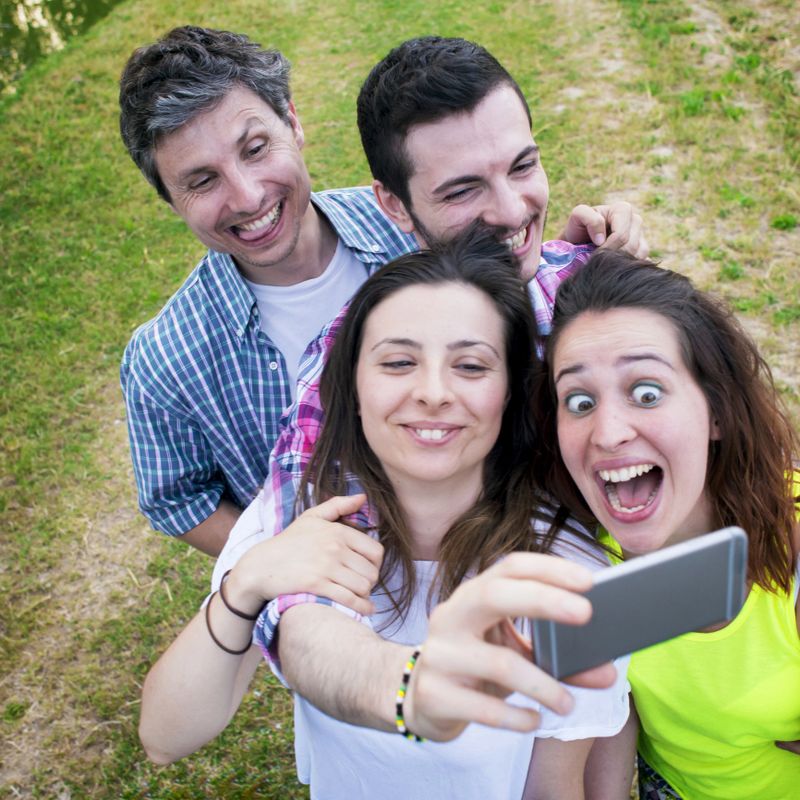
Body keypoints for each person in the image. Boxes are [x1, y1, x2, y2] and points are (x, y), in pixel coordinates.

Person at [118, 27, 647, 557]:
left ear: (293, 121)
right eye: (202, 181)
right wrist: (279, 563)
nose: (248, 195)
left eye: (255, 149)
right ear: (169, 197)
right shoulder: (164, 360)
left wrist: (583, 264)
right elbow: (177, 500)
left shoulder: (425, 215)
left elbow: (507, 239)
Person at [139, 229, 629, 799]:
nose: (433, 392)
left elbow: (554, 788)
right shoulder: (305, 523)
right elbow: (164, 736)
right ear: (349, 384)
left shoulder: (565, 574)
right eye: (398, 362)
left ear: (512, 394)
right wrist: (244, 585)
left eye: (471, 366)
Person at [530, 250, 800, 799]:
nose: (607, 432)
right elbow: (613, 706)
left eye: (646, 393)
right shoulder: (576, 555)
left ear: (716, 412)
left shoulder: (792, 543)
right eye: (579, 401)